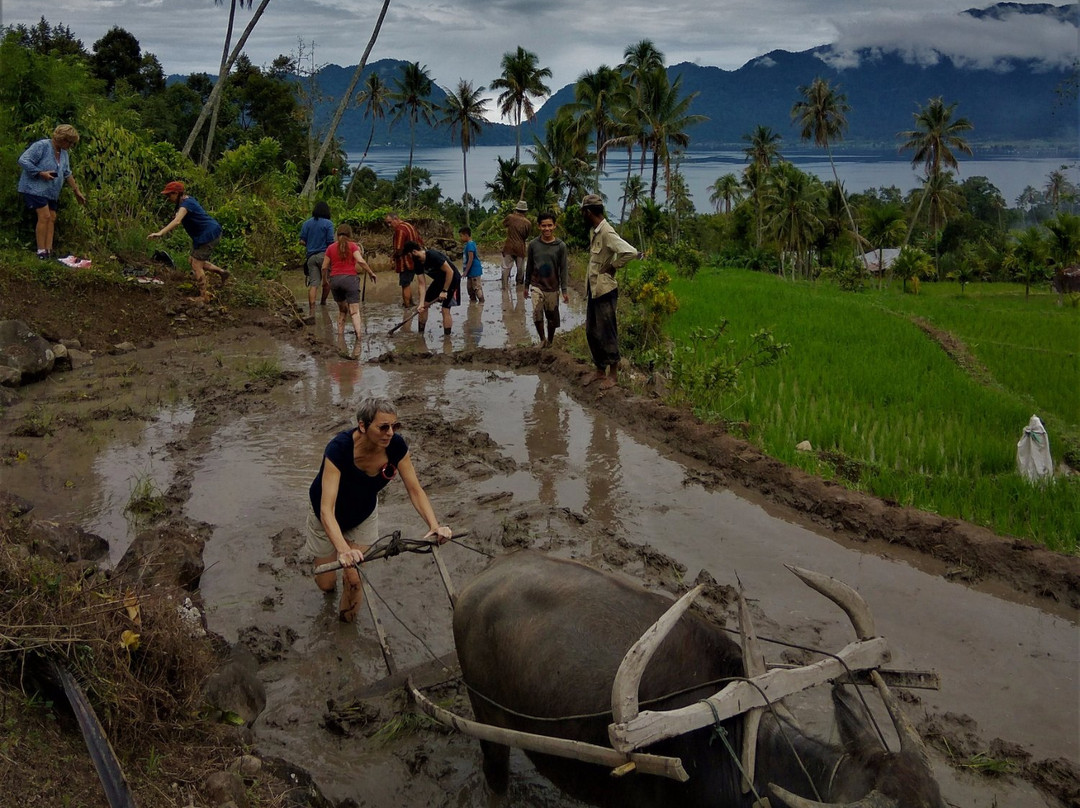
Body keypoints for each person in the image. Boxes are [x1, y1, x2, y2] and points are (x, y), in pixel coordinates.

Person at [307, 396, 452, 622]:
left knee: (354, 578)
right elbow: (327, 509)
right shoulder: (339, 449)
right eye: (383, 427)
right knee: (325, 585)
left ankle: (346, 632)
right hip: (327, 514)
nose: (390, 433)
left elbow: (415, 490)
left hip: (362, 513)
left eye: (395, 426)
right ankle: (329, 573)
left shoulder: (396, 447)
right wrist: (343, 549)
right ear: (363, 426)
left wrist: (434, 525)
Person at [580, 194, 637, 390]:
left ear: (588, 212)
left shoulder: (606, 232)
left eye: (583, 212)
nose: (582, 215)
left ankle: (612, 375)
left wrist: (614, 266)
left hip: (605, 290)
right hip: (594, 289)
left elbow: (631, 252)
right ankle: (599, 369)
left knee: (607, 332)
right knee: (591, 331)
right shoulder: (594, 231)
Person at [149, 181, 228, 303]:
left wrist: (160, 233)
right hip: (205, 234)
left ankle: (203, 297)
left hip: (209, 234)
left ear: (177, 193)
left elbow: (177, 221)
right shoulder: (184, 201)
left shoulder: (186, 204)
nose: (167, 198)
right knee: (192, 260)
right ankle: (222, 272)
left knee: (196, 264)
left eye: (169, 195)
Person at [17, 124, 87, 260]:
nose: (70, 145)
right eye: (69, 142)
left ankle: (49, 251)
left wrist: (76, 191)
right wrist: (40, 173)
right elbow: (23, 160)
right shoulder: (42, 146)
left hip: (51, 191)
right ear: (62, 139)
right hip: (34, 188)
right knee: (45, 216)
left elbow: (67, 173)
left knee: (52, 217)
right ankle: (41, 251)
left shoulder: (64, 154)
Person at [322, 223, 377, 354]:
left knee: (342, 310)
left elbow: (324, 267)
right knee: (354, 311)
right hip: (350, 280)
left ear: (337, 234)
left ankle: (340, 339)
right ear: (350, 235)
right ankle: (359, 338)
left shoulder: (330, 248)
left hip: (335, 281)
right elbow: (361, 261)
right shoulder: (353, 246)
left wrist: (325, 280)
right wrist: (371, 273)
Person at [524, 211, 569, 347]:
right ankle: (542, 339)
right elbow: (529, 266)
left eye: (550, 225)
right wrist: (526, 286)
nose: (547, 229)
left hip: (553, 286)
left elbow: (563, 269)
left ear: (554, 226)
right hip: (537, 285)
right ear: (539, 227)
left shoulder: (561, 246)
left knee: (551, 317)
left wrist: (564, 290)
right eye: (544, 226)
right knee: (537, 313)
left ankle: (550, 341)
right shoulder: (533, 245)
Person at [403, 240, 461, 336]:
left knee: (445, 309)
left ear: (414, 252)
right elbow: (422, 284)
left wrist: (444, 291)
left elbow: (450, 272)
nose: (408, 258)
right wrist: (421, 303)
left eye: (408, 255)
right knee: (424, 305)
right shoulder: (417, 263)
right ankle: (420, 335)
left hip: (452, 279)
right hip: (439, 280)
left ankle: (447, 338)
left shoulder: (433, 256)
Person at [299, 200, 335, 315]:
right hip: (324, 256)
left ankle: (312, 310)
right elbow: (330, 242)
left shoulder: (306, 223)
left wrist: (310, 244)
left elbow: (302, 241)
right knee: (327, 281)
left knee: (314, 283)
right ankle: (323, 302)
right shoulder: (328, 224)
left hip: (311, 257)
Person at [384, 212, 426, 309]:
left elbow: (399, 248)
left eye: (390, 222)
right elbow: (419, 241)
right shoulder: (409, 226)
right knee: (408, 283)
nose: (389, 225)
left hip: (405, 262)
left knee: (405, 284)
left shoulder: (400, 230)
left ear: (396, 219)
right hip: (415, 259)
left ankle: (407, 307)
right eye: (387, 224)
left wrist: (394, 257)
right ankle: (411, 303)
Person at [501, 200, 531, 286]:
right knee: (520, 269)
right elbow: (526, 236)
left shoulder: (510, 217)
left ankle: (505, 287)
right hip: (520, 248)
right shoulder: (527, 223)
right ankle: (519, 286)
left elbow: (504, 224)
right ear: (525, 211)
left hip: (508, 247)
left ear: (516, 209)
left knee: (506, 268)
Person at [459, 226, 484, 303]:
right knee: (470, 288)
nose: (461, 238)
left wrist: (466, 271)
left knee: (476, 287)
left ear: (466, 235)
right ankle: (473, 305)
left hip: (474, 270)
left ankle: (481, 302)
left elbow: (471, 258)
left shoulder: (470, 245)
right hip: (471, 271)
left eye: (461, 236)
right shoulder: (469, 244)